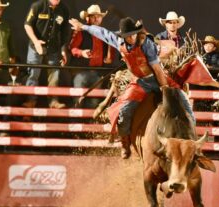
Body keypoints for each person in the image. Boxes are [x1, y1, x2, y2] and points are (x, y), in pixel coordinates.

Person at [69, 17, 195, 159]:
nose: (131, 38)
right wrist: (83, 27)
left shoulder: (146, 44)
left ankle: (192, 138)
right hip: (140, 82)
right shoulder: (118, 41)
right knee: (124, 113)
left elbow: (157, 69)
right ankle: (125, 143)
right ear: (123, 36)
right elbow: (101, 32)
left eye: (133, 35)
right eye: (128, 36)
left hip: (157, 78)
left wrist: (165, 88)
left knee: (184, 102)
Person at [24, 0, 69, 109]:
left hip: (53, 48)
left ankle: (53, 101)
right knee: (33, 73)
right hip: (35, 47)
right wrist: (36, 42)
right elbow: (27, 25)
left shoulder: (64, 8)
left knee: (54, 74)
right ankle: (30, 100)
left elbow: (64, 31)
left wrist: (63, 50)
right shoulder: (38, 6)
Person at [69, 4, 114, 108]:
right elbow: (72, 48)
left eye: (98, 16)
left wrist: (109, 58)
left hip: (98, 73)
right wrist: (82, 52)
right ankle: (76, 122)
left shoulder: (104, 33)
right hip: (81, 72)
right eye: (93, 16)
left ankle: (89, 122)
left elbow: (110, 53)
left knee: (94, 102)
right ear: (87, 18)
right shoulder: (81, 32)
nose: (96, 18)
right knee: (78, 100)